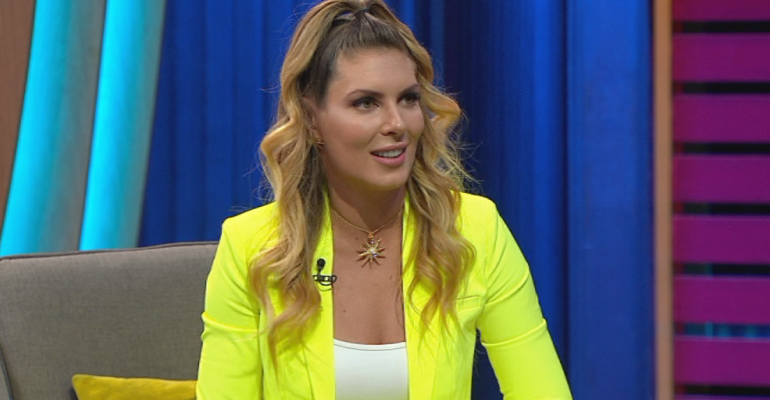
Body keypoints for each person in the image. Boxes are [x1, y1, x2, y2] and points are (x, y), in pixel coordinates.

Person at [196, 0, 571, 398]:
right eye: (366, 103)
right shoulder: (253, 247)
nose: (397, 124)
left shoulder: (474, 230)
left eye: (408, 99)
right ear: (312, 118)